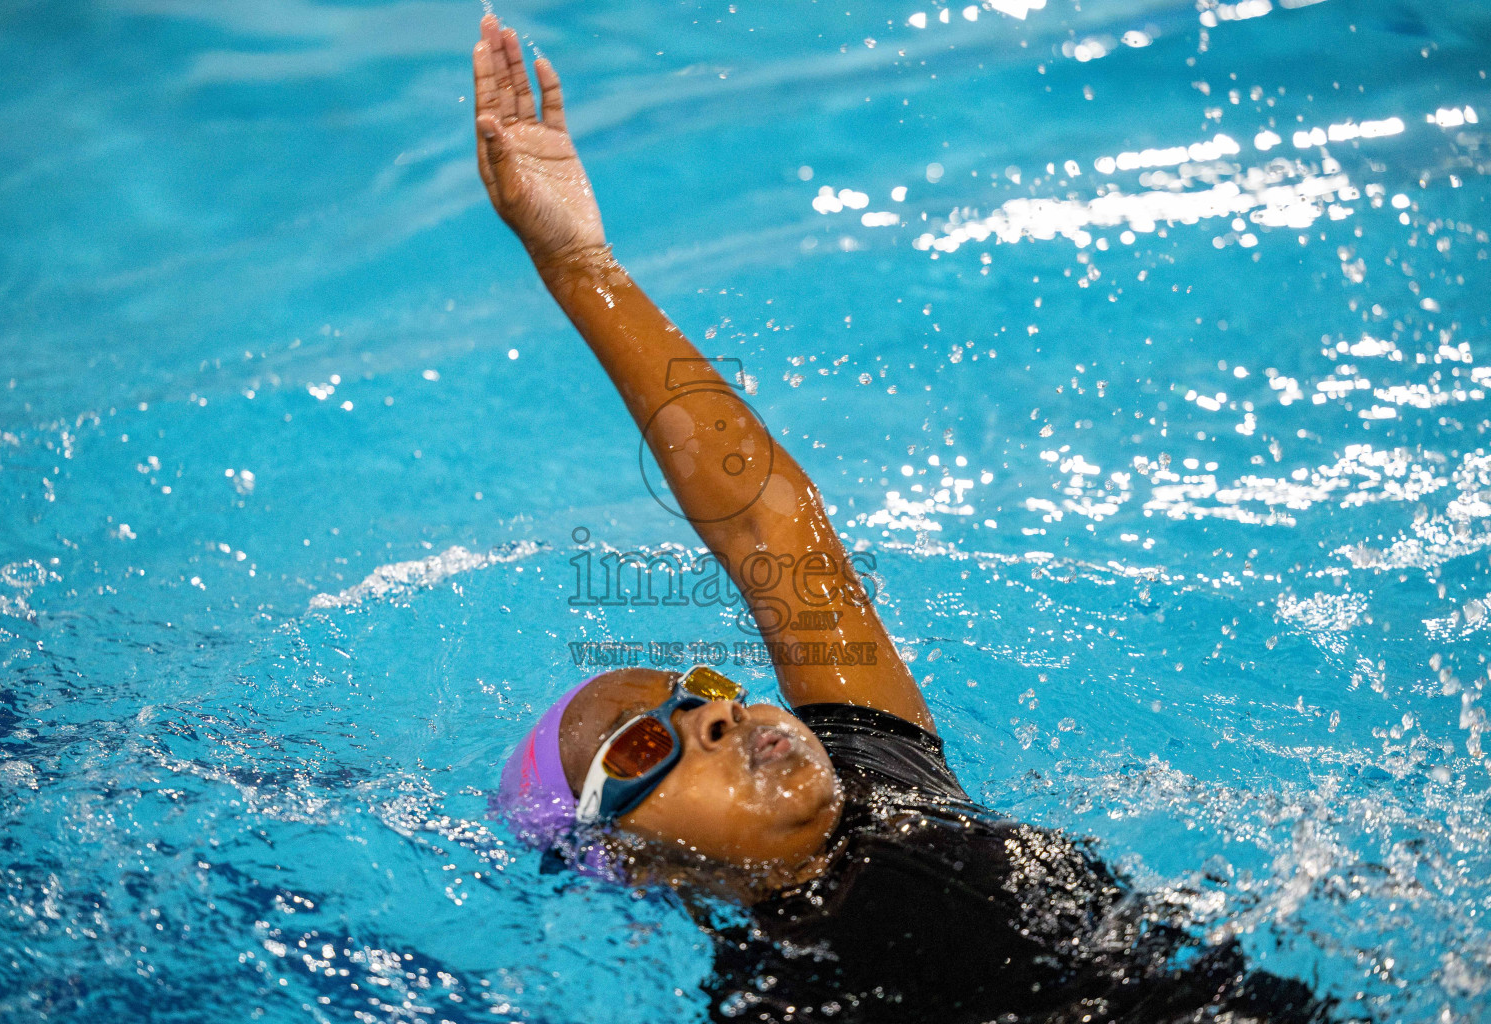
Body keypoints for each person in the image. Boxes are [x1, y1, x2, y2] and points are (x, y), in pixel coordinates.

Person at [474, 15, 1334, 1024]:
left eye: (695, 689)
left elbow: (769, 527)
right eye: (639, 750)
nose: (713, 714)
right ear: (629, 860)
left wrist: (581, 262)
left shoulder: (874, 762)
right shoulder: (786, 1000)